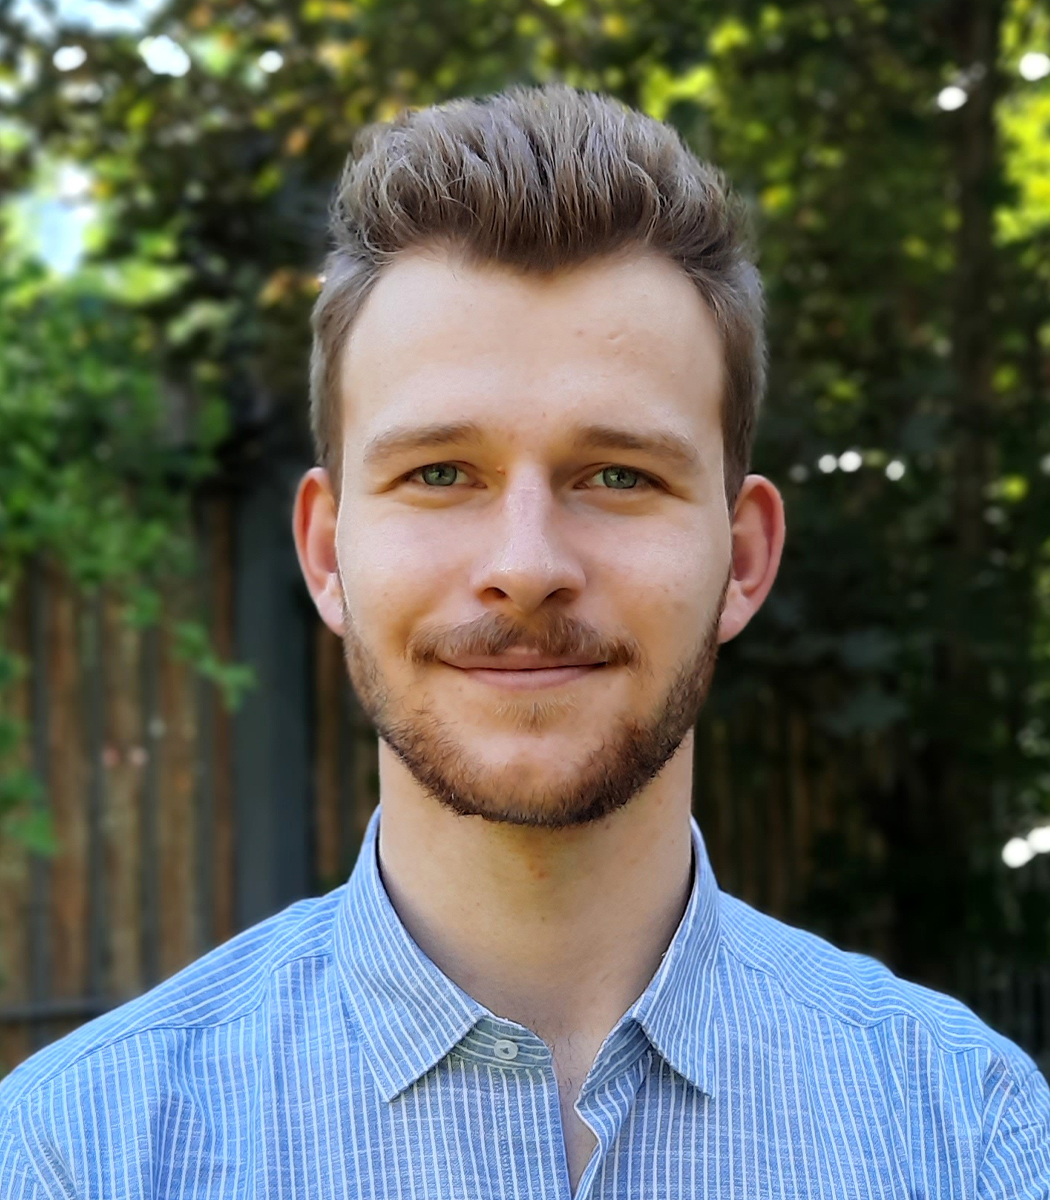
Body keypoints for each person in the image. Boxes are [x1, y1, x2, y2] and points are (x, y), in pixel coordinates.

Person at [1, 83, 1047, 1200]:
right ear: (326, 552)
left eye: (619, 475)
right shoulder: (78, 1154)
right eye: (441, 472)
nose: (529, 561)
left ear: (743, 559)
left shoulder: (969, 1133)